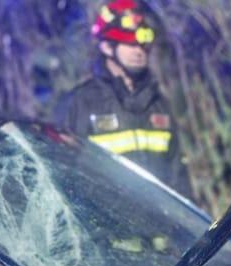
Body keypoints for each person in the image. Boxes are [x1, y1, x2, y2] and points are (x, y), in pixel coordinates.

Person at [57, 0, 192, 198]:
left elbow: (178, 176)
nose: (139, 51)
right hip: (106, 225)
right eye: (129, 43)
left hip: (159, 224)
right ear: (107, 47)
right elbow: (64, 176)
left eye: (142, 43)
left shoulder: (158, 103)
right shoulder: (79, 104)